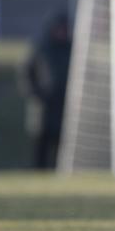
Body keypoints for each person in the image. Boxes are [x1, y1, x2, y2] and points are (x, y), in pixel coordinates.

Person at [19, 12, 71, 170]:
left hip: (64, 106)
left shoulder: (72, 48)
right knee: (41, 144)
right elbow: (26, 73)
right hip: (43, 108)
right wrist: (35, 93)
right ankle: (38, 173)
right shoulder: (41, 47)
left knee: (61, 145)